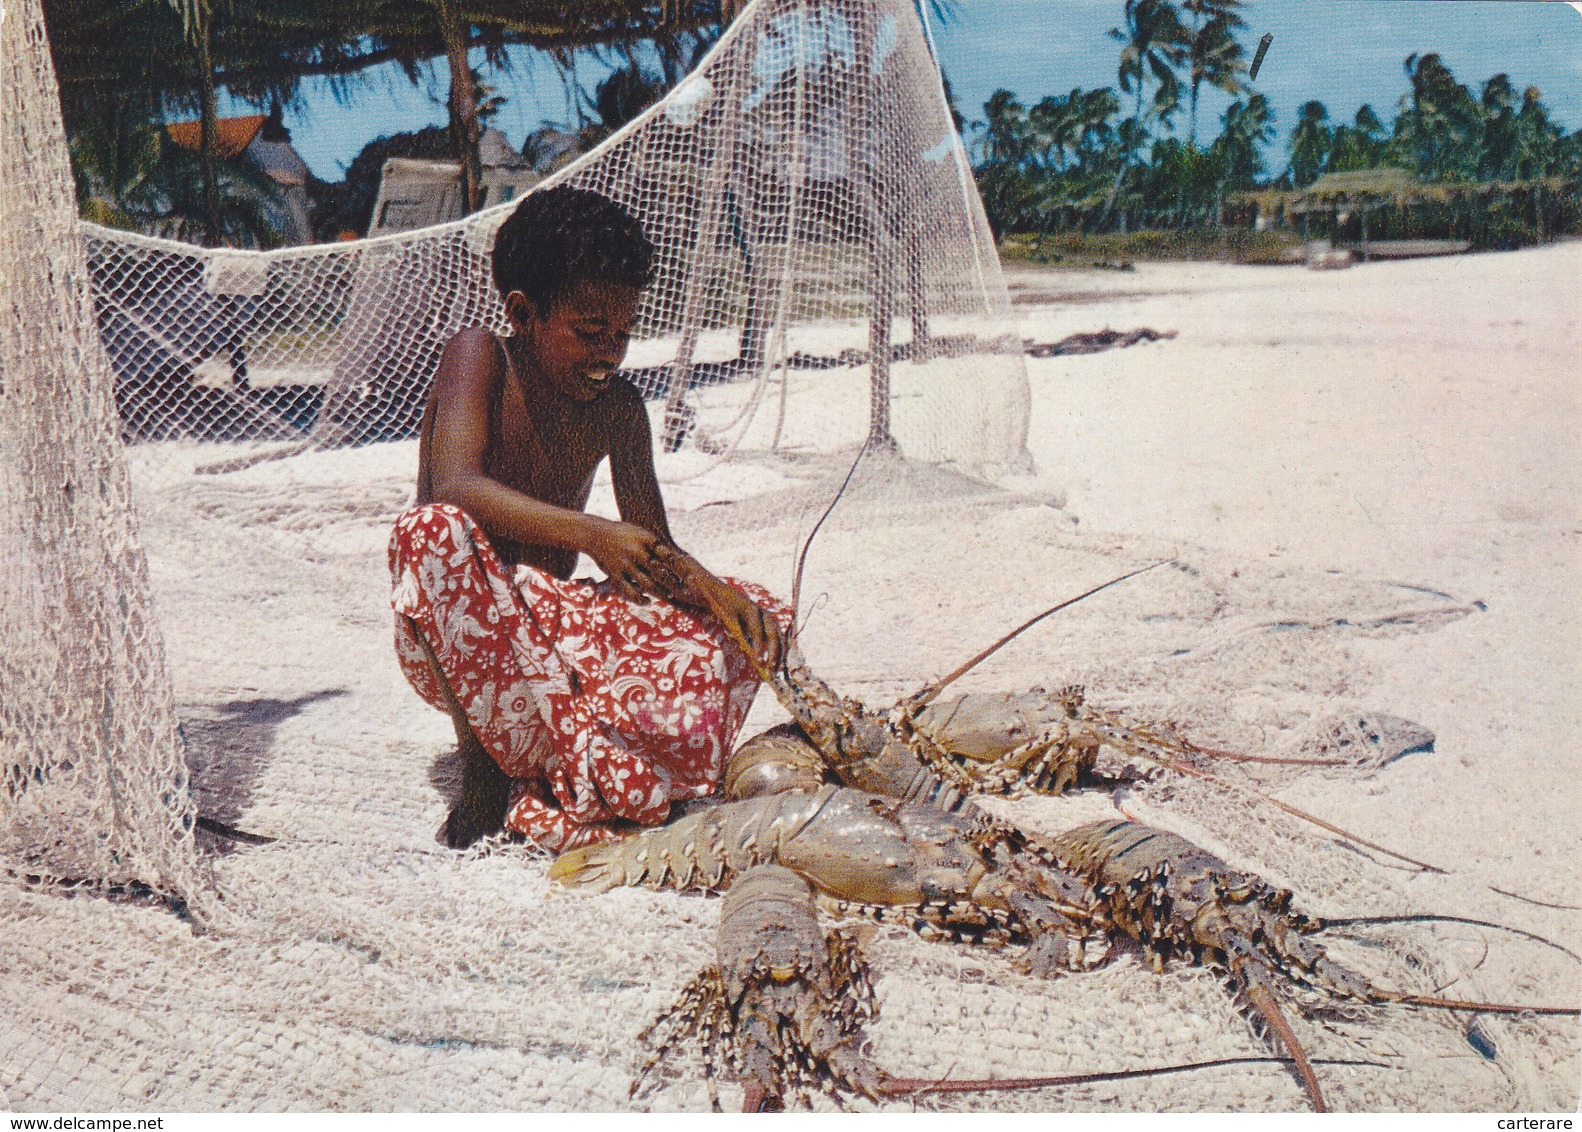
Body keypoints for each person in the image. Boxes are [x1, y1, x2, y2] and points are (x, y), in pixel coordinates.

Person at [388, 186, 788, 852]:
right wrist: (592, 534)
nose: (609, 351)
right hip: (456, 641)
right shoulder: (479, 355)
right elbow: (455, 488)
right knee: (427, 531)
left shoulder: (620, 408)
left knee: (755, 609)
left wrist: (718, 595)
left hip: (554, 638)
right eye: (589, 330)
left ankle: (567, 756)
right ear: (524, 313)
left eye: (624, 334)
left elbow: (652, 550)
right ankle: (484, 771)